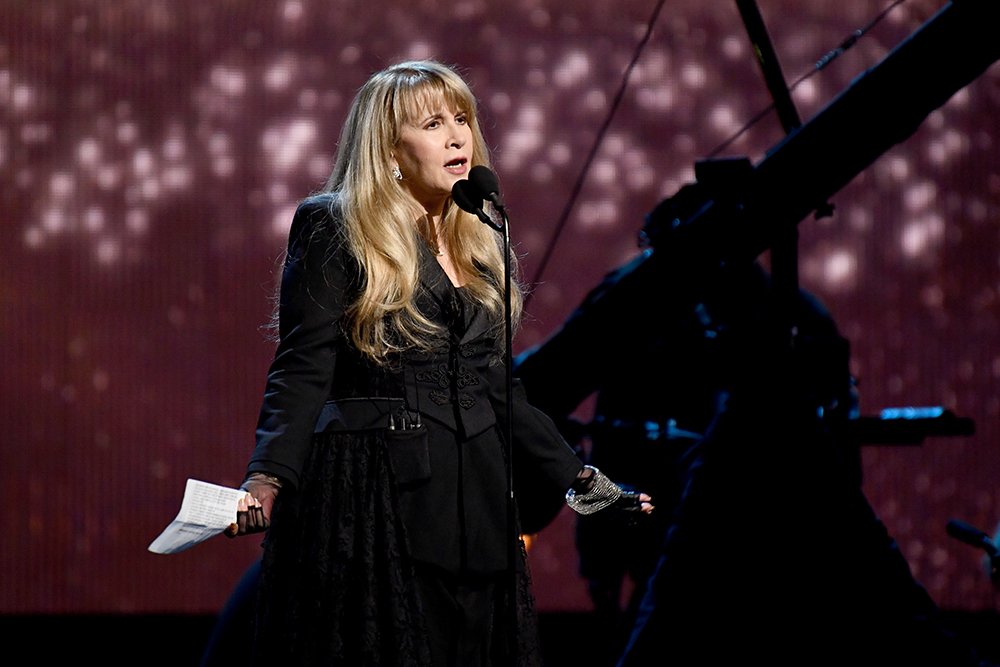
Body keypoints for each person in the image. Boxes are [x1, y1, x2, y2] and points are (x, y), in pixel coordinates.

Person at [223, 59, 652, 667]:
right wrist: (267, 479)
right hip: (377, 500)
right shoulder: (334, 225)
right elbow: (302, 367)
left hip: (477, 502)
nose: (458, 137)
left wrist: (585, 485)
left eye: (463, 119)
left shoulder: (479, 236)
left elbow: (500, 390)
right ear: (389, 150)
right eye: (433, 123)